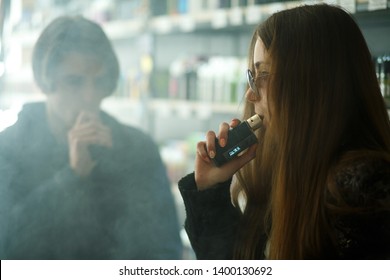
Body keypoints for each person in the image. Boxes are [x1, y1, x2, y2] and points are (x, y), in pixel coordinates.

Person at [178, 4, 390, 260]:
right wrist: (210, 188)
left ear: (314, 82)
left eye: (264, 74)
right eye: (253, 75)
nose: (251, 93)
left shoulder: (364, 194)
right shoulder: (290, 165)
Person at [0, 16, 182, 259]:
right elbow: (9, 246)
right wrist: (72, 177)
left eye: (99, 82)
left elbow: (164, 248)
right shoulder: (8, 150)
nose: (90, 95)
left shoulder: (138, 148)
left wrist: (116, 168)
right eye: (74, 82)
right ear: (45, 81)